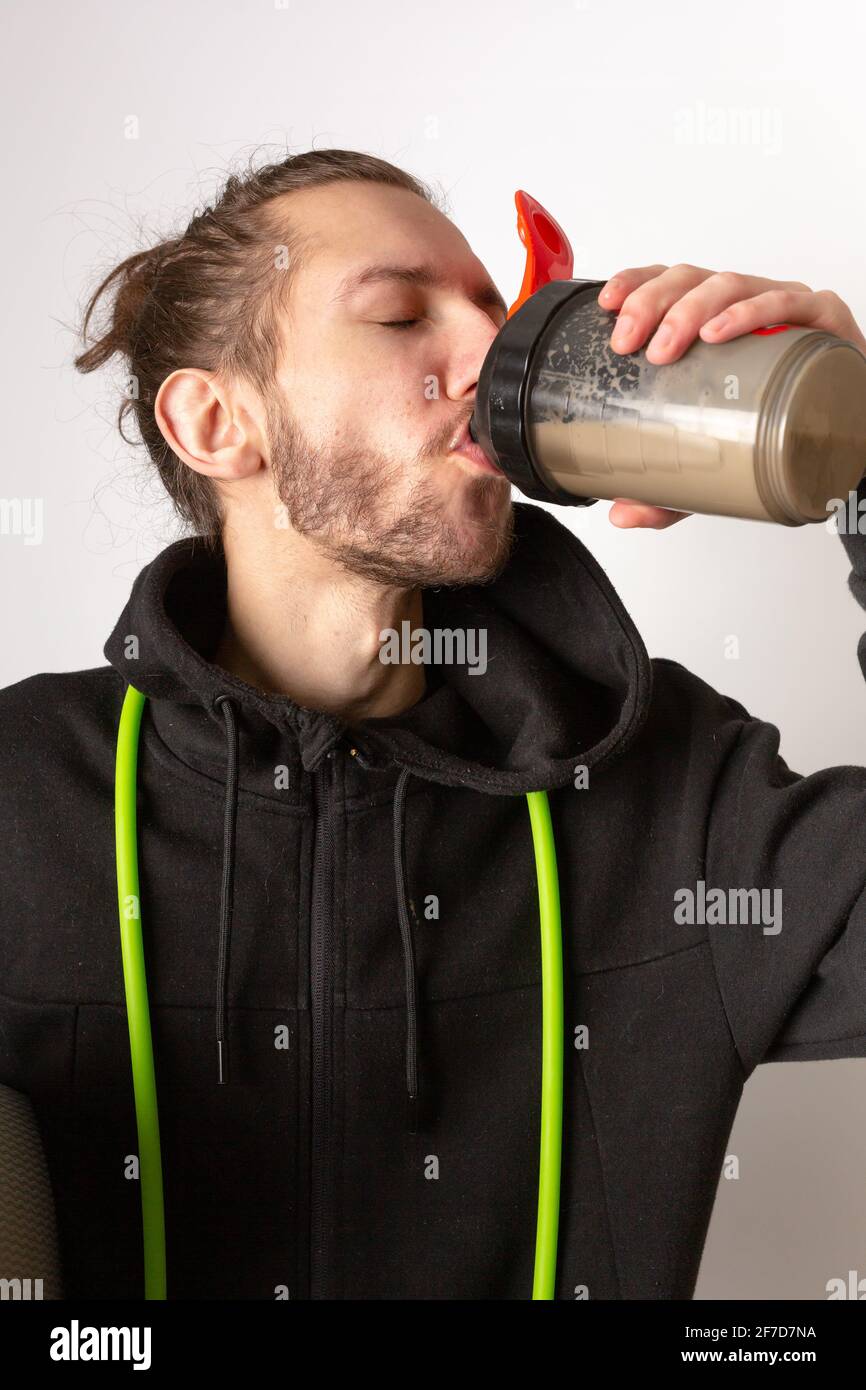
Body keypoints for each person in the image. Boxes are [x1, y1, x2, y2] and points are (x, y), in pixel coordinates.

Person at [2, 146, 866, 1301]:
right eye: (400, 314)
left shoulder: (665, 788)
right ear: (216, 421)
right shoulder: (23, 793)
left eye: (492, 311)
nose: (488, 354)